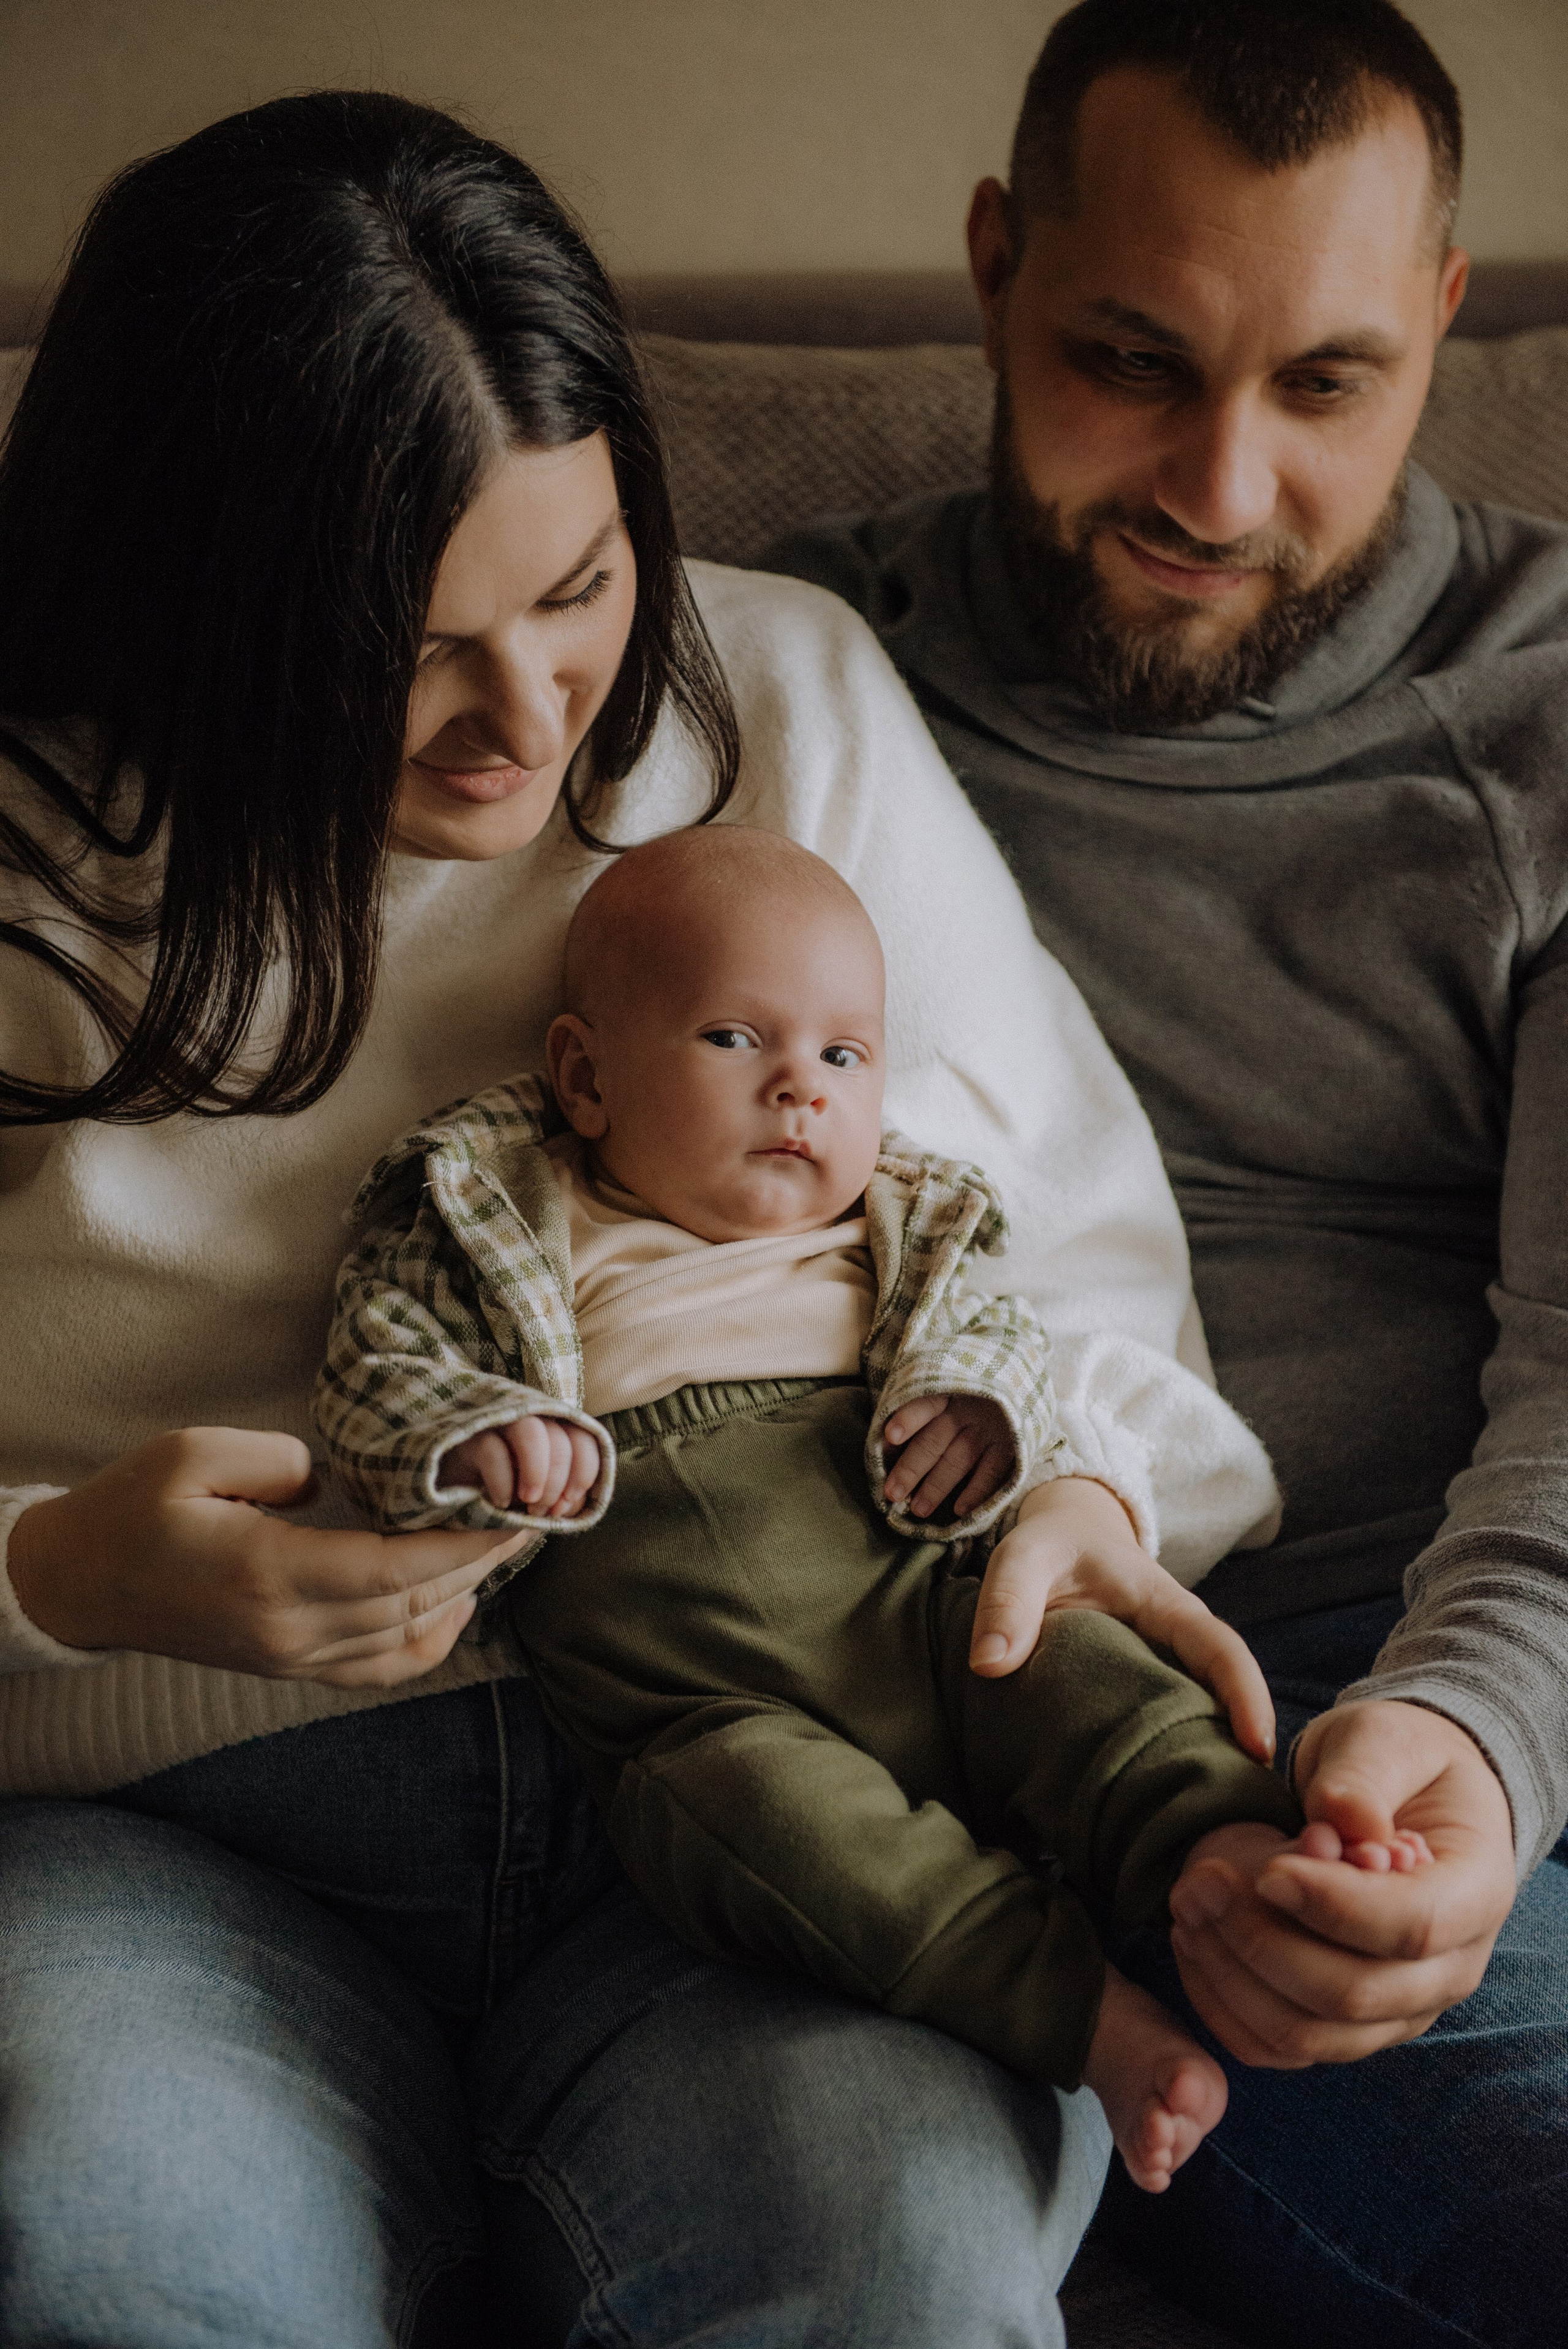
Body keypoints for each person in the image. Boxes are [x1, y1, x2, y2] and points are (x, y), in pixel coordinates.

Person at [0, 88, 1281, 2349]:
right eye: (400, 644)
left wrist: (1066, 1487)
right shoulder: (33, 866)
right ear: (180, 594)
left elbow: (1071, 1267)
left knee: (896, 2267)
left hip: (805, 1793)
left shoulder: (770, 695)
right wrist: (52, 1573)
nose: (522, 728)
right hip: (178, 1849)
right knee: (121, 2266)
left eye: (579, 589)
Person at [766, 1, 1568, 2343]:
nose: (1220, 487)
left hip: (1463, 1681)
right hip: (1052, 1730)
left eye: (1325, 381)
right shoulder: (777, 682)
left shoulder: (1544, 708)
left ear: (1440, 317)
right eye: (1135, 359)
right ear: (998, 268)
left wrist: (1490, 1745)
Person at [312, 822, 1331, 2197]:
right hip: (704, 1699)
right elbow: (380, 1369)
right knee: (759, 1825)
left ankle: (1224, 1847)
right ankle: (1083, 2017)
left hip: (928, 1598)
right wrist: (482, 1439)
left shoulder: (899, 1220)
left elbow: (1006, 1334)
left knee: (1090, 1674)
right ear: (584, 1075)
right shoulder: (498, 1204)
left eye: (843, 1056)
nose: (801, 1087)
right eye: (736, 1039)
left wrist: (978, 1406)